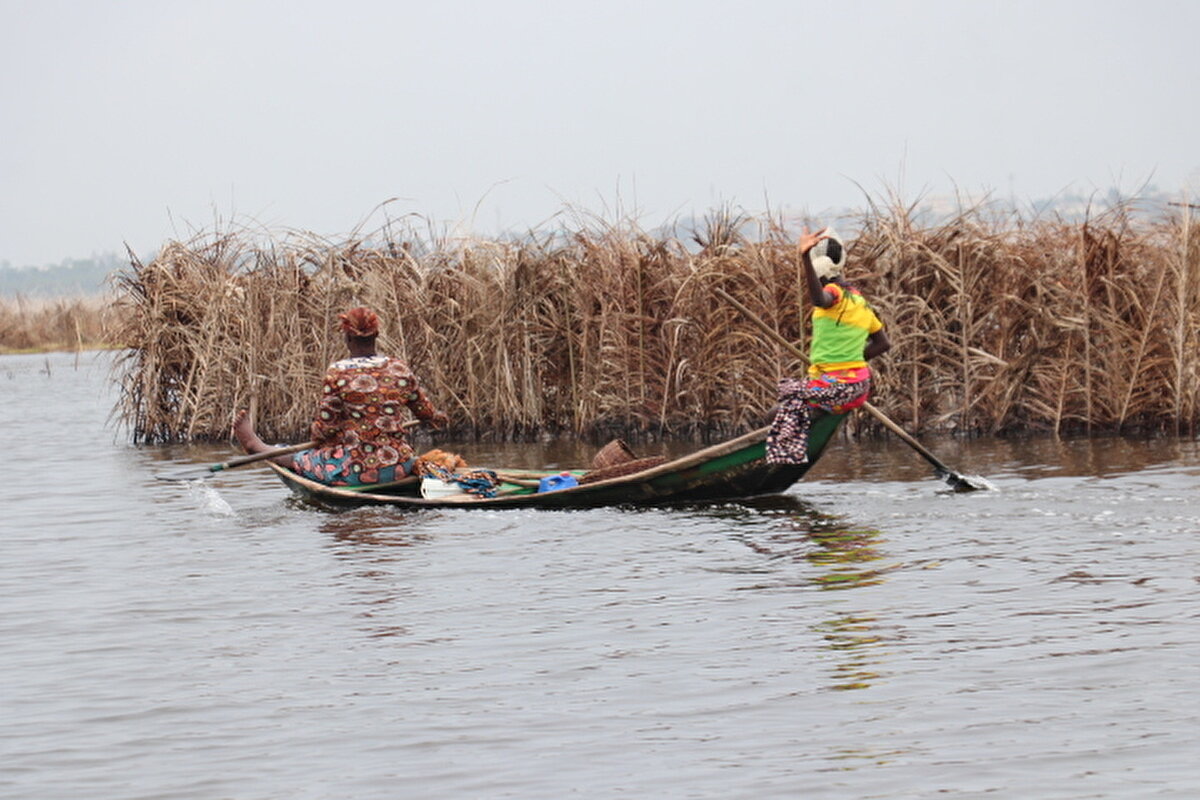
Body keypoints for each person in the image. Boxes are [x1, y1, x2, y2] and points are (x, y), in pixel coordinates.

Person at [232, 306, 448, 485]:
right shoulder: (399, 369)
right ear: (377, 335)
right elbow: (426, 414)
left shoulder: (339, 373)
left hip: (357, 472)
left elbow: (324, 430)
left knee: (301, 457)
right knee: (337, 450)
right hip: (400, 467)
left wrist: (328, 440)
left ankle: (256, 446)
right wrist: (437, 417)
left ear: (347, 338)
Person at [766, 227, 891, 464]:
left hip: (839, 387)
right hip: (854, 385)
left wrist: (803, 256)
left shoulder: (833, 293)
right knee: (790, 402)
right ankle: (788, 452)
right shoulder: (859, 300)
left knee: (776, 414)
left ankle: (784, 458)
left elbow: (818, 300)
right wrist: (849, 361)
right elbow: (883, 344)